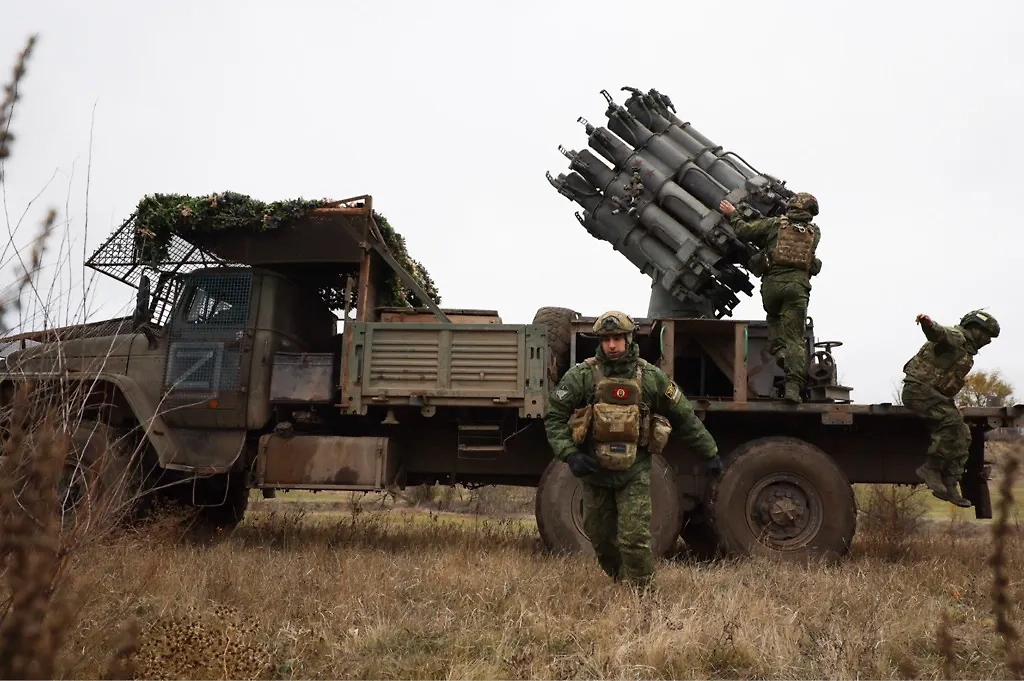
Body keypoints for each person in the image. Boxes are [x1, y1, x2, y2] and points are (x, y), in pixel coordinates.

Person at [543, 310, 723, 589]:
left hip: (634, 472)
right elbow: (554, 415)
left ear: (628, 339)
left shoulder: (651, 377)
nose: (612, 345)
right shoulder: (582, 376)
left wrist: (710, 452)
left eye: (617, 338)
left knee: (635, 538)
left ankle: (643, 594)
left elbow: (684, 417)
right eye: (606, 340)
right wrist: (571, 454)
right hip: (595, 473)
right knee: (600, 538)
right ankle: (619, 578)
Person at [719, 193, 822, 404]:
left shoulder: (775, 225)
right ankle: (793, 388)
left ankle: (779, 350)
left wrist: (733, 214)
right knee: (796, 338)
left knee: (774, 318)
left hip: (773, 286)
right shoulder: (815, 233)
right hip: (798, 288)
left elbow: (744, 231)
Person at [902, 310, 1001, 507]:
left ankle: (950, 483)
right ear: (975, 329)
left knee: (963, 433)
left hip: (933, 395)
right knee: (951, 422)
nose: (988, 341)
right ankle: (931, 468)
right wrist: (928, 324)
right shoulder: (957, 337)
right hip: (918, 391)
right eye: (987, 336)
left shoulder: (964, 349)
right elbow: (939, 334)